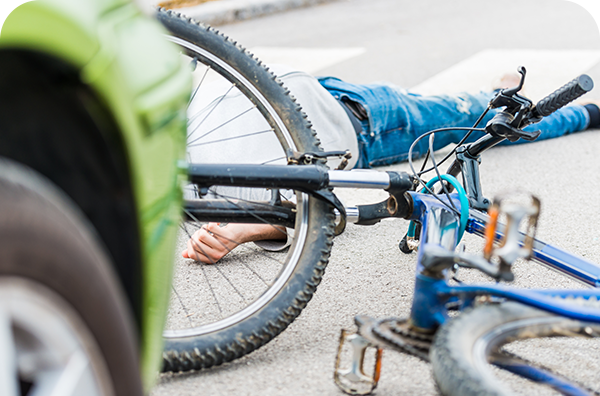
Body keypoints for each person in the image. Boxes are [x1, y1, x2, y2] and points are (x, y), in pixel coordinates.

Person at [183, 67, 600, 264]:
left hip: (320, 89)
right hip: (365, 123)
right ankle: (586, 114)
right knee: (489, 122)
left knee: (470, 109)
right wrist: (246, 229)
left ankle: (492, 91)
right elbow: (308, 205)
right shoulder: (202, 186)